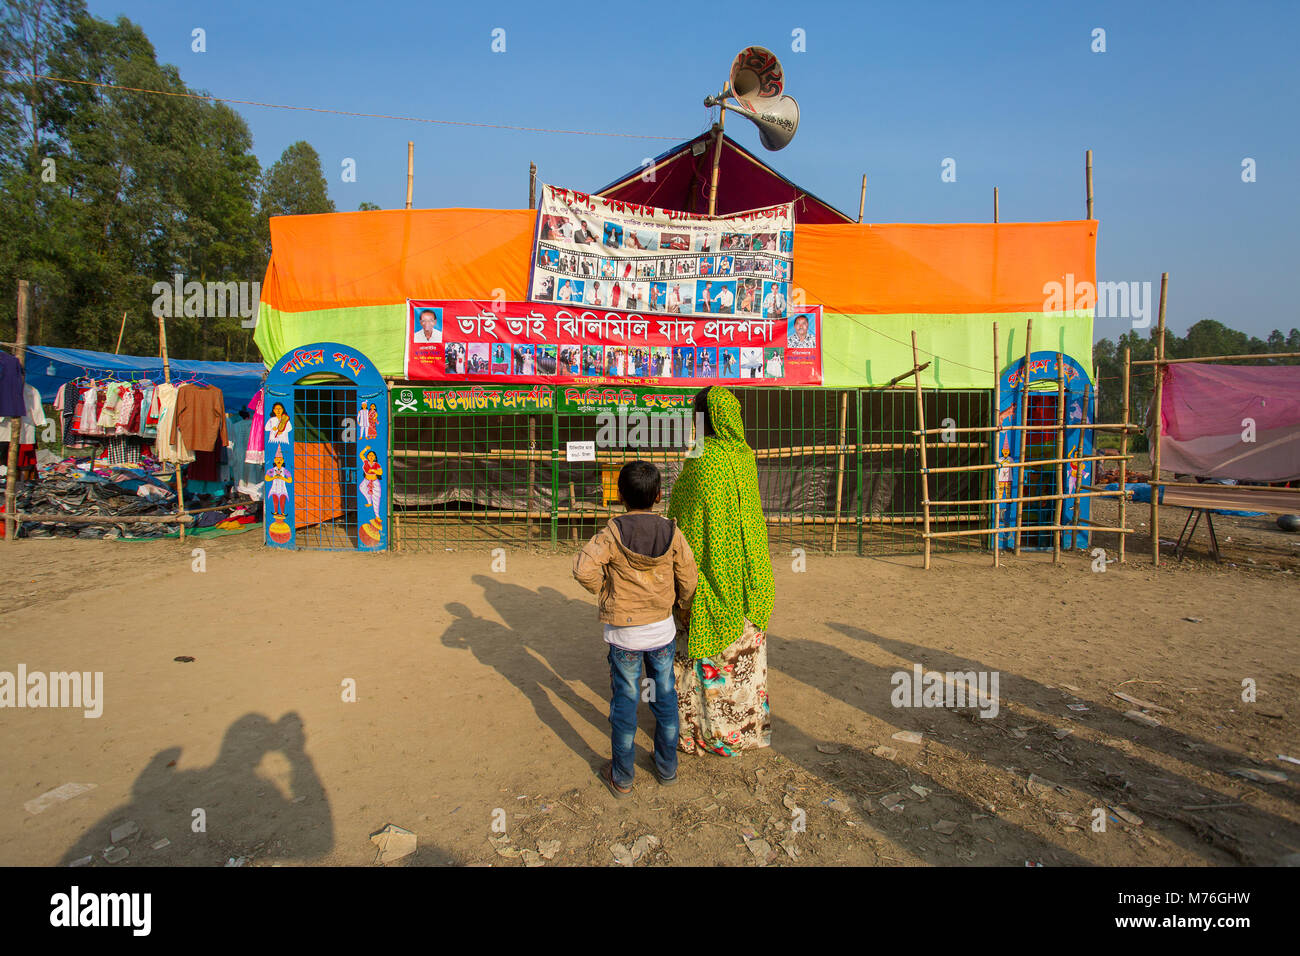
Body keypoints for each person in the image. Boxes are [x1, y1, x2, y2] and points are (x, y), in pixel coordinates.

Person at [573, 461, 698, 796]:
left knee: (625, 703)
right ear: (658, 495)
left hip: (624, 636)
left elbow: (584, 570)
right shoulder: (672, 531)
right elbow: (688, 577)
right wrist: (681, 606)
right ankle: (667, 768)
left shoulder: (611, 533)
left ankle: (623, 776)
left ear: (619, 495)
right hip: (661, 632)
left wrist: (606, 591)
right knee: (665, 698)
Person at [666, 387, 774, 757]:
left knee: (699, 657)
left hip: (712, 574)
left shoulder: (702, 456)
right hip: (749, 576)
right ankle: (745, 730)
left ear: (704, 418)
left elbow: (687, 515)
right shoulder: (746, 456)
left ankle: (703, 734)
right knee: (743, 659)